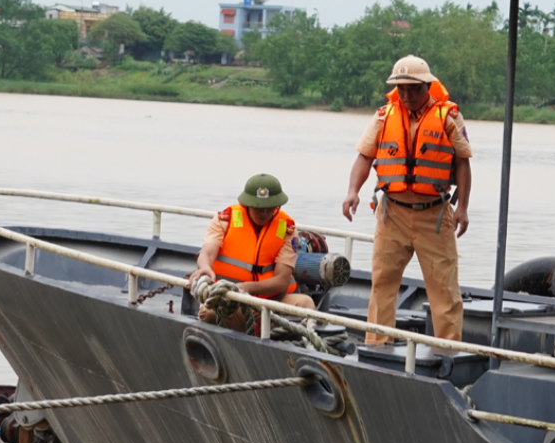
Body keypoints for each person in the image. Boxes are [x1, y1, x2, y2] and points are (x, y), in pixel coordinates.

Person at [342, 55, 472, 344]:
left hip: (434, 215)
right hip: (392, 213)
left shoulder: (448, 116)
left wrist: (462, 208)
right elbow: (364, 156)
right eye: (401, 89)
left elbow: (463, 162)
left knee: (443, 289)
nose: (407, 95)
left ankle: (447, 351)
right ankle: (377, 346)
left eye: (413, 89)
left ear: (427, 86)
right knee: (382, 285)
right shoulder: (383, 116)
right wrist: (353, 192)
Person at [191, 174, 316, 329]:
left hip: (270, 302)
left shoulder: (287, 229)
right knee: (209, 313)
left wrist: (248, 287)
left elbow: (281, 280)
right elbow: (207, 253)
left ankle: (284, 339)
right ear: (246, 203)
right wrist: (205, 267)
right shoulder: (225, 220)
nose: (262, 212)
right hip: (229, 299)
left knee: (307, 304)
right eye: (257, 206)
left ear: (277, 205)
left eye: (268, 207)